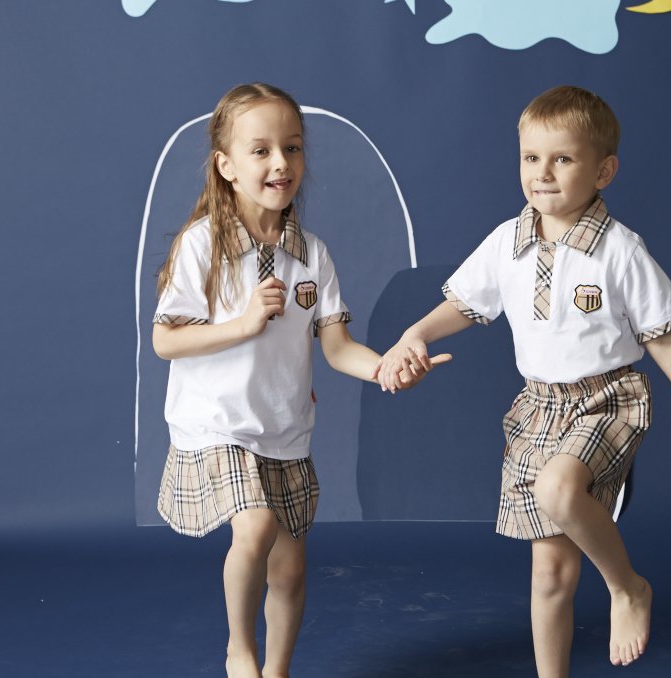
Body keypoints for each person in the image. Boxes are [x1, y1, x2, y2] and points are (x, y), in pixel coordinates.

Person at [376, 85, 671, 676]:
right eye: (531, 158)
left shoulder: (620, 250)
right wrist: (415, 333)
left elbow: (664, 337)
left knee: (556, 490)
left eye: (563, 159)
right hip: (539, 409)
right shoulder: (508, 241)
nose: (542, 173)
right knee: (550, 573)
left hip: (608, 401)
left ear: (603, 171)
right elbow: (466, 305)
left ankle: (628, 588)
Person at [152, 83, 446, 678]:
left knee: (288, 570)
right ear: (226, 166)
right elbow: (166, 341)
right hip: (216, 426)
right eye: (260, 150)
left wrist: (386, 368)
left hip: (283, 431)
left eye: (291, 148)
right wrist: (242, 324)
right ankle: (240, 650)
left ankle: (277, 669)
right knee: (255, 525)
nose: (280, 163)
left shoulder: (312, 255)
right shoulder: (202, 245)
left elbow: (337, 348)